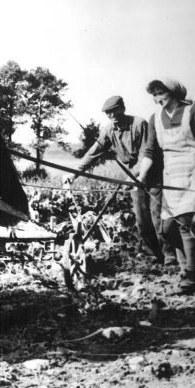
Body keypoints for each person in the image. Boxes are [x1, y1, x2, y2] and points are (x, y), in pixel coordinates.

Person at [64, 95, 167, 264]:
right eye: (108, 113)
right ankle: (153, 255)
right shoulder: (108, 130)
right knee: (142, 218)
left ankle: (169, 255)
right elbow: (93, 153)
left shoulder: (139, 124)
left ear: (123, 108)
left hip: (153, 174)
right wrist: (74, 173)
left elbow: (145, 154)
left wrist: (133, 177)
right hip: (133, 178)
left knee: (158, 217)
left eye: (114, 111)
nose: (111, 115)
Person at [137, 79, 195, 294]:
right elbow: (150, 151)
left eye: (160, 93)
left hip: (194, 172)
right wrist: (141, 176)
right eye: (154, 95)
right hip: (171, 176)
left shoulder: (193, 112)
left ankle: (189, 275)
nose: (157, 98)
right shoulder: (156, 119)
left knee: (184, 224)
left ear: (173, 93)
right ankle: (188, 272)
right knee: (167, 229)